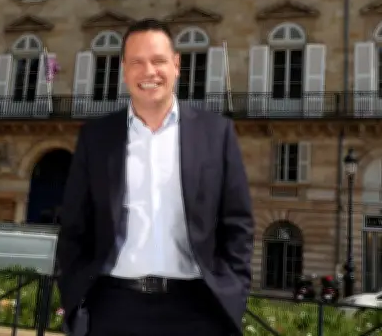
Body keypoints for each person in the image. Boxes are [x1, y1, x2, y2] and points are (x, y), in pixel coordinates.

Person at [57, 18, 255, 336]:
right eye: (137, 62)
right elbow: (74, 227)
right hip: (113, 308)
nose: (149, 72)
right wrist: (74, 294)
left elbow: (238, 224)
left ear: (176, 65)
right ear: (124, 70)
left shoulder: (216, 134)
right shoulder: (96, 137)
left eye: (158, 61)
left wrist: (234, 291)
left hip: (197, 310)